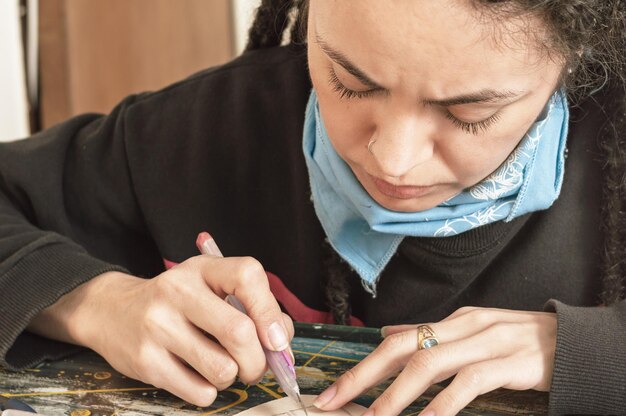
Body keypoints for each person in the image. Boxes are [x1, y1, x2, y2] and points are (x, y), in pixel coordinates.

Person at [0, 0, 625, 414]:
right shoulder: (205, 132)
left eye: (471, 114)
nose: (393, 160)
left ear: (573, 61)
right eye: (351, 80)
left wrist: (589, 352)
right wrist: (94, 303)